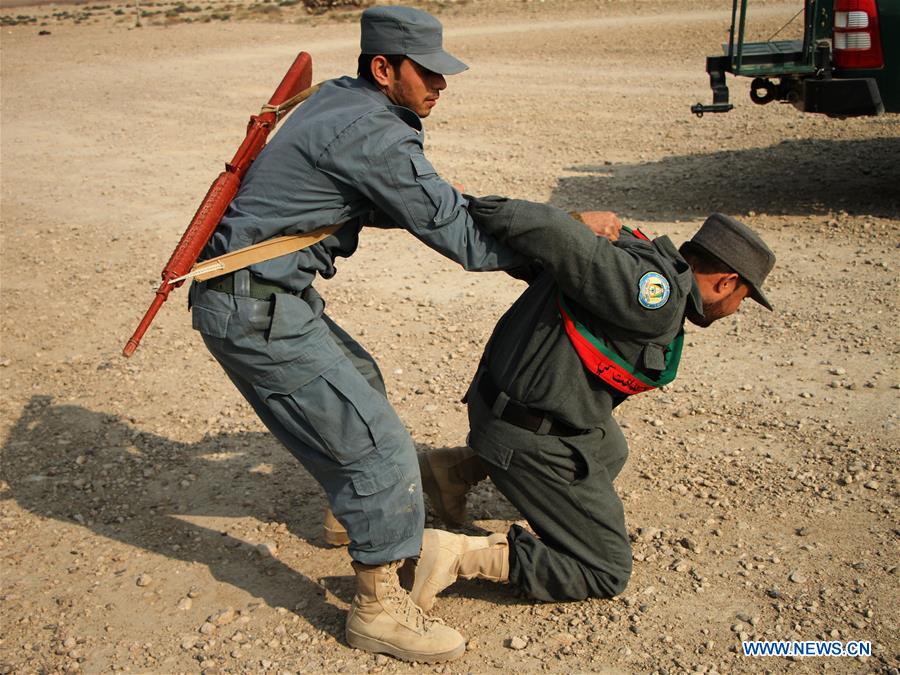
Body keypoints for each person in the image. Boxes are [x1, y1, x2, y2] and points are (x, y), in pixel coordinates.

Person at [187, 6, 577, 663]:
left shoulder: (343, 100)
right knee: (382, 447)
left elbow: (405, 201)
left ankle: (353, 512)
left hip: (260, 296)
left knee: (359, 382)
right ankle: (376, 607)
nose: (441, 85)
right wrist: (564, 246)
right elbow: (465, 241)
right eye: (427, 73)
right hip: (255, 307)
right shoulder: (373, 131)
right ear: (383, 68)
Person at [402, 200, 776, 610]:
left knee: (609, 448)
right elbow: (548, 230)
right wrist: (455, 201)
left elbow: (553, 252)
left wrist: (574, 226)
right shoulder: (655, 295)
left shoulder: (638, 253)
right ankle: (455, 556)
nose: (736, 309)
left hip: (497, 404)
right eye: (743, 297)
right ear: (726, 282)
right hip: (518, 431)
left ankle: (452, 472)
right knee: (607, 569)